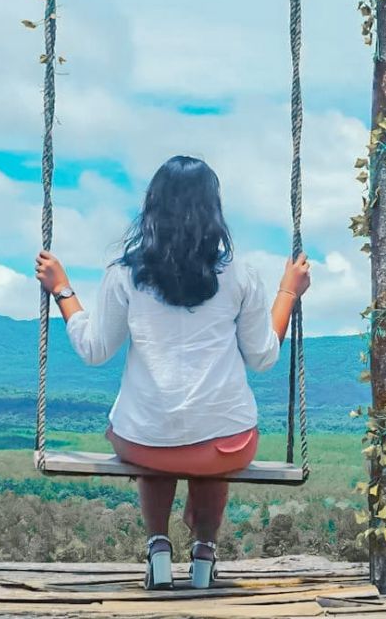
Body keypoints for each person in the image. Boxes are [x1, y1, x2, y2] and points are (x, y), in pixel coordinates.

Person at [33, 154, 311, 590]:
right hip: (224, 444)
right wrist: (288, 293)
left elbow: (93, 349)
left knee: (154, 432)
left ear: (152, 208)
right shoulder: (241, 276)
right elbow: (263, 357)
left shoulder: (125, 275)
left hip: (147, 444)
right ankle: (204, 552)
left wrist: (61, 289)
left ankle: (158, 546)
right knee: (214, 437)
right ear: (214, 211)